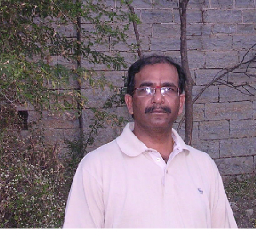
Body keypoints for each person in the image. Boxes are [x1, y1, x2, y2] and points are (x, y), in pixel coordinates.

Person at [62, 54, 237, 228]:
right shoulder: (96, 168)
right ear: (130, 103)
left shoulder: (203, 166)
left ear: (181, 102)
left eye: (168, 89)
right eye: (146, 90)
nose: (158, 99)